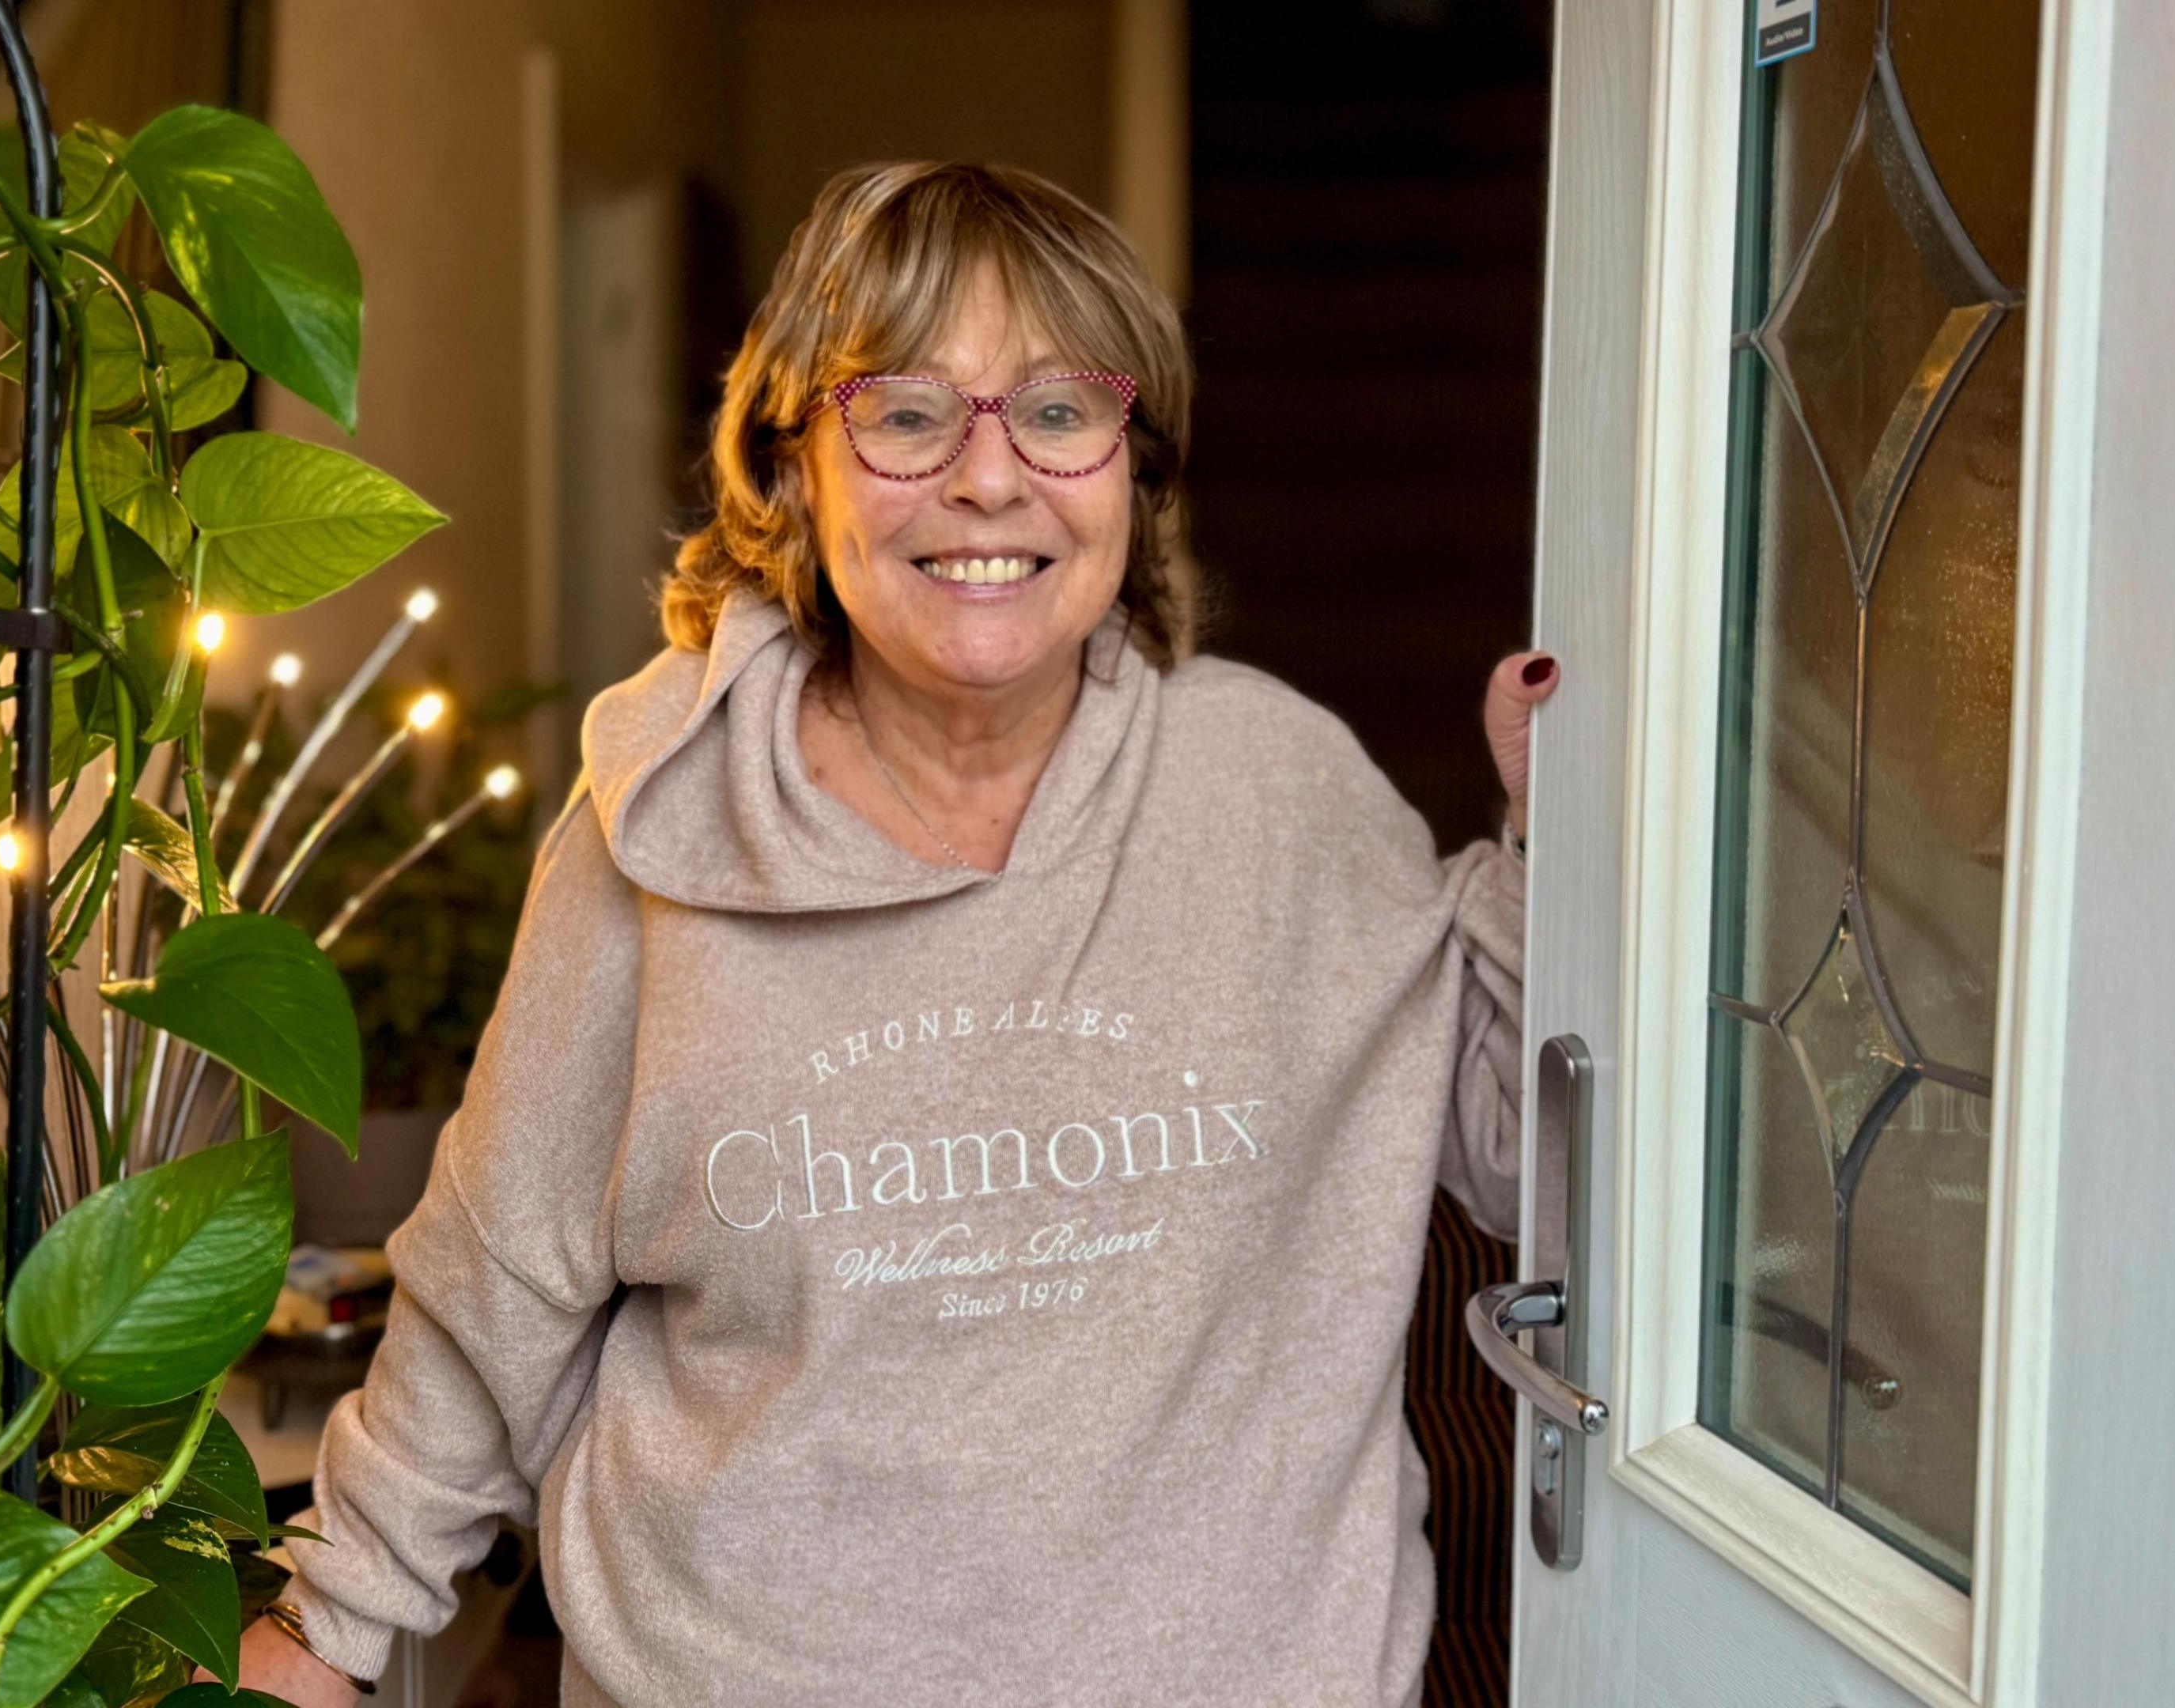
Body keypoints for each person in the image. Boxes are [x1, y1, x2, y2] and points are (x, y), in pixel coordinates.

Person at [229, 160, 1559, 1706]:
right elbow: (495, 1280)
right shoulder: (659, 830)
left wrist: (1564, 850)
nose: (991, 482)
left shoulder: (1282, 794)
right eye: (911, 413)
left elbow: (1535, 1156)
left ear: (1136, 468)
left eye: (1059, 411)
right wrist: (329, 1625)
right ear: (793, 467)